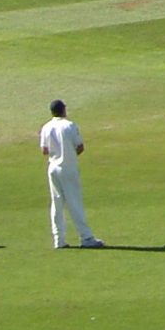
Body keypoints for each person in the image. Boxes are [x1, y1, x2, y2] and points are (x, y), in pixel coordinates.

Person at [40, 99, 103, 249]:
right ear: (63, 110)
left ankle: (59, 240)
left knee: (57, 203)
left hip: (53, 168)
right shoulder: (69, 125)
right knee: (74, 203)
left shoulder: (46, 127)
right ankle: (86, 238)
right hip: (68, 168)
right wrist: (68, 154)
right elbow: (80, 147)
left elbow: (44, 150)